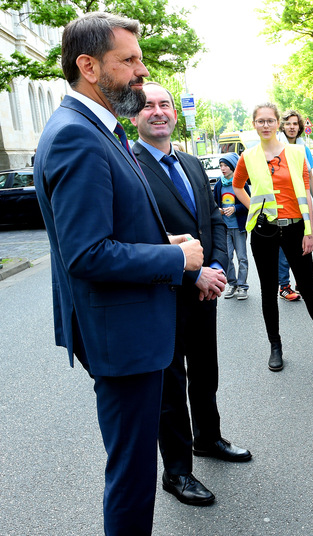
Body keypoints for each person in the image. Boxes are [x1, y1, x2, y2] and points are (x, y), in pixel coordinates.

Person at [33, 12, 203, 535]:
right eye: (128, 61)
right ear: (88, 66)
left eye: (140, 60)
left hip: (129, 333)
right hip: (122, 340)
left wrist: (160, 241)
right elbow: (87, 255)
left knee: (132, 468)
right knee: (131, 475)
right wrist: (177, 259)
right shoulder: (76, 136)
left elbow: (111, 228)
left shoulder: (98, 130)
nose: (141, 72)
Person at [131, 82, 252, 507]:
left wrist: (217, 267)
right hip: (163, 295)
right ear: (134, 116)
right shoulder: (130, 167)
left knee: (205, 372)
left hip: (206, 290)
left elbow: (215, 219)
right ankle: (178, 471)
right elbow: (139, 239)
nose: (159, 112)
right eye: (148, 106)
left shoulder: (191, 163)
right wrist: (193, 273)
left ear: (176, 115)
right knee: (170, 386)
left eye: (165, 104)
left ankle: (208, 439)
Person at [233, 102, 313, 371]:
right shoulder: (248, 156)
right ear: (254, 124)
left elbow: (305, 190)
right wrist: (255, 208)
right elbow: (237, 186)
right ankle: (275, 346)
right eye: (260, 121)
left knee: (307, 288)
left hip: (296, 228)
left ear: (278, 124)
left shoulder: (296, 152)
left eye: (270, 120)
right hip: (264, 230)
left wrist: (309, 231)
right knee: (268, 290)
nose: (265, 125)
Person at [277, 109, 313, 300]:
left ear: (300, 126)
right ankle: (283, 286)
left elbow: (309, 175)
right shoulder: (276, 146)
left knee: (303, 241)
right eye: (288, 123)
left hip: (300, 203)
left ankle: (302, 283)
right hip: (283, 203)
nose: (292, 127)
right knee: (283, 246)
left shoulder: (303, 147)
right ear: (282, 125)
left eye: (295, 124)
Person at [214, 153, 251, 300]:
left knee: (242, 257)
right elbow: (214, 204)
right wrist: (219, 210)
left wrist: (235, 208)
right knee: (227, 257)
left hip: (239, 226)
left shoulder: (241, 184)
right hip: (224, 227)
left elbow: (249, 204)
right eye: (221, 166)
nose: (223, 168)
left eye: (225, 165)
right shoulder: (218, 185)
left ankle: (242, 286)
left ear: (233, 166)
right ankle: (232, 283)